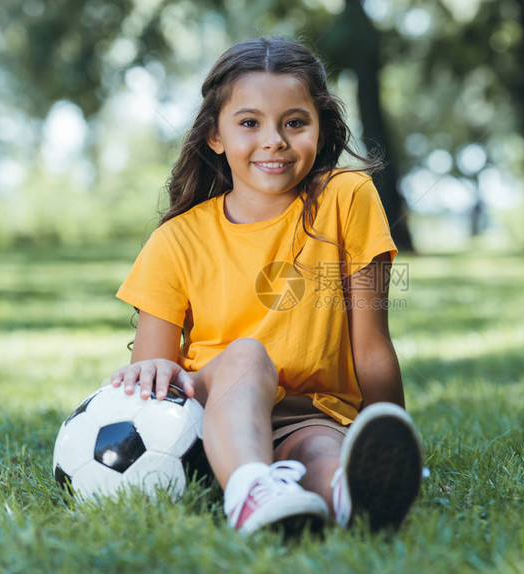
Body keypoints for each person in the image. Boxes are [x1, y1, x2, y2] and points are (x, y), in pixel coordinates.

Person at [110, 37, 422, 535]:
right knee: (248, 354)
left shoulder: (348, 198)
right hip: (212, 413)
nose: (274, 139)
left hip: (313, 415)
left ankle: (348, 496)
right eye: (249, 123)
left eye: (295, 122)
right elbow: (156, 374)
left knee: (323, 451)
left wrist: (392, 444)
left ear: (319, 130)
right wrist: (149, 369)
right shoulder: (177, 239)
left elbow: (373, 348)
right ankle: (252, 488)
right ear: (216, 135)